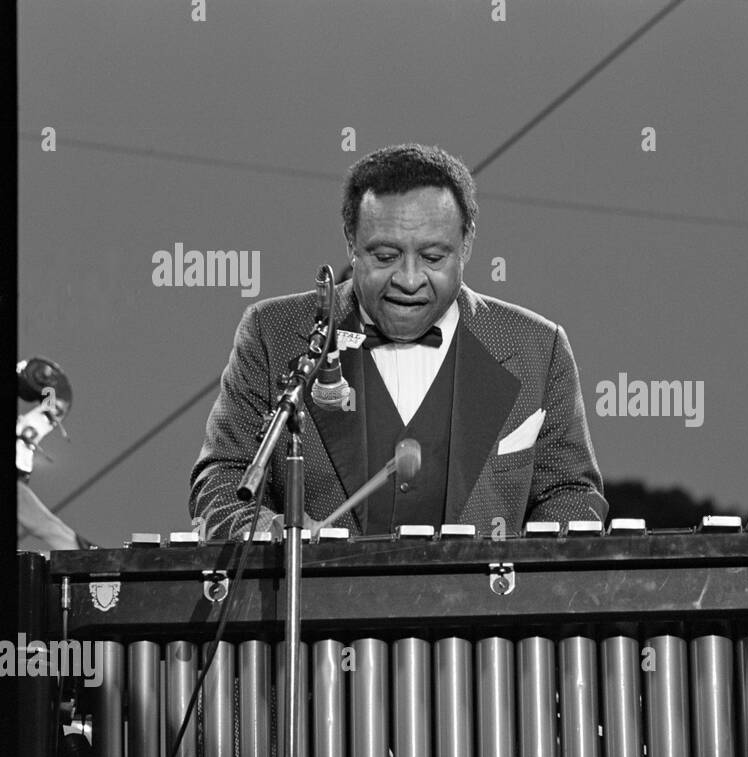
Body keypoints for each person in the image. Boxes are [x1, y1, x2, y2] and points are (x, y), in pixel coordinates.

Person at [190, 144, 606, 538]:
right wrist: (277, 536)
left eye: (433, 258)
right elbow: (223, 479)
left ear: (467, 243)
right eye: (385, 256)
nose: (408, 280)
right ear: (350, 242)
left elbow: (570, 495)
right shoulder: (273, 333)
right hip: (315, 610)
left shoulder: (537, 347)